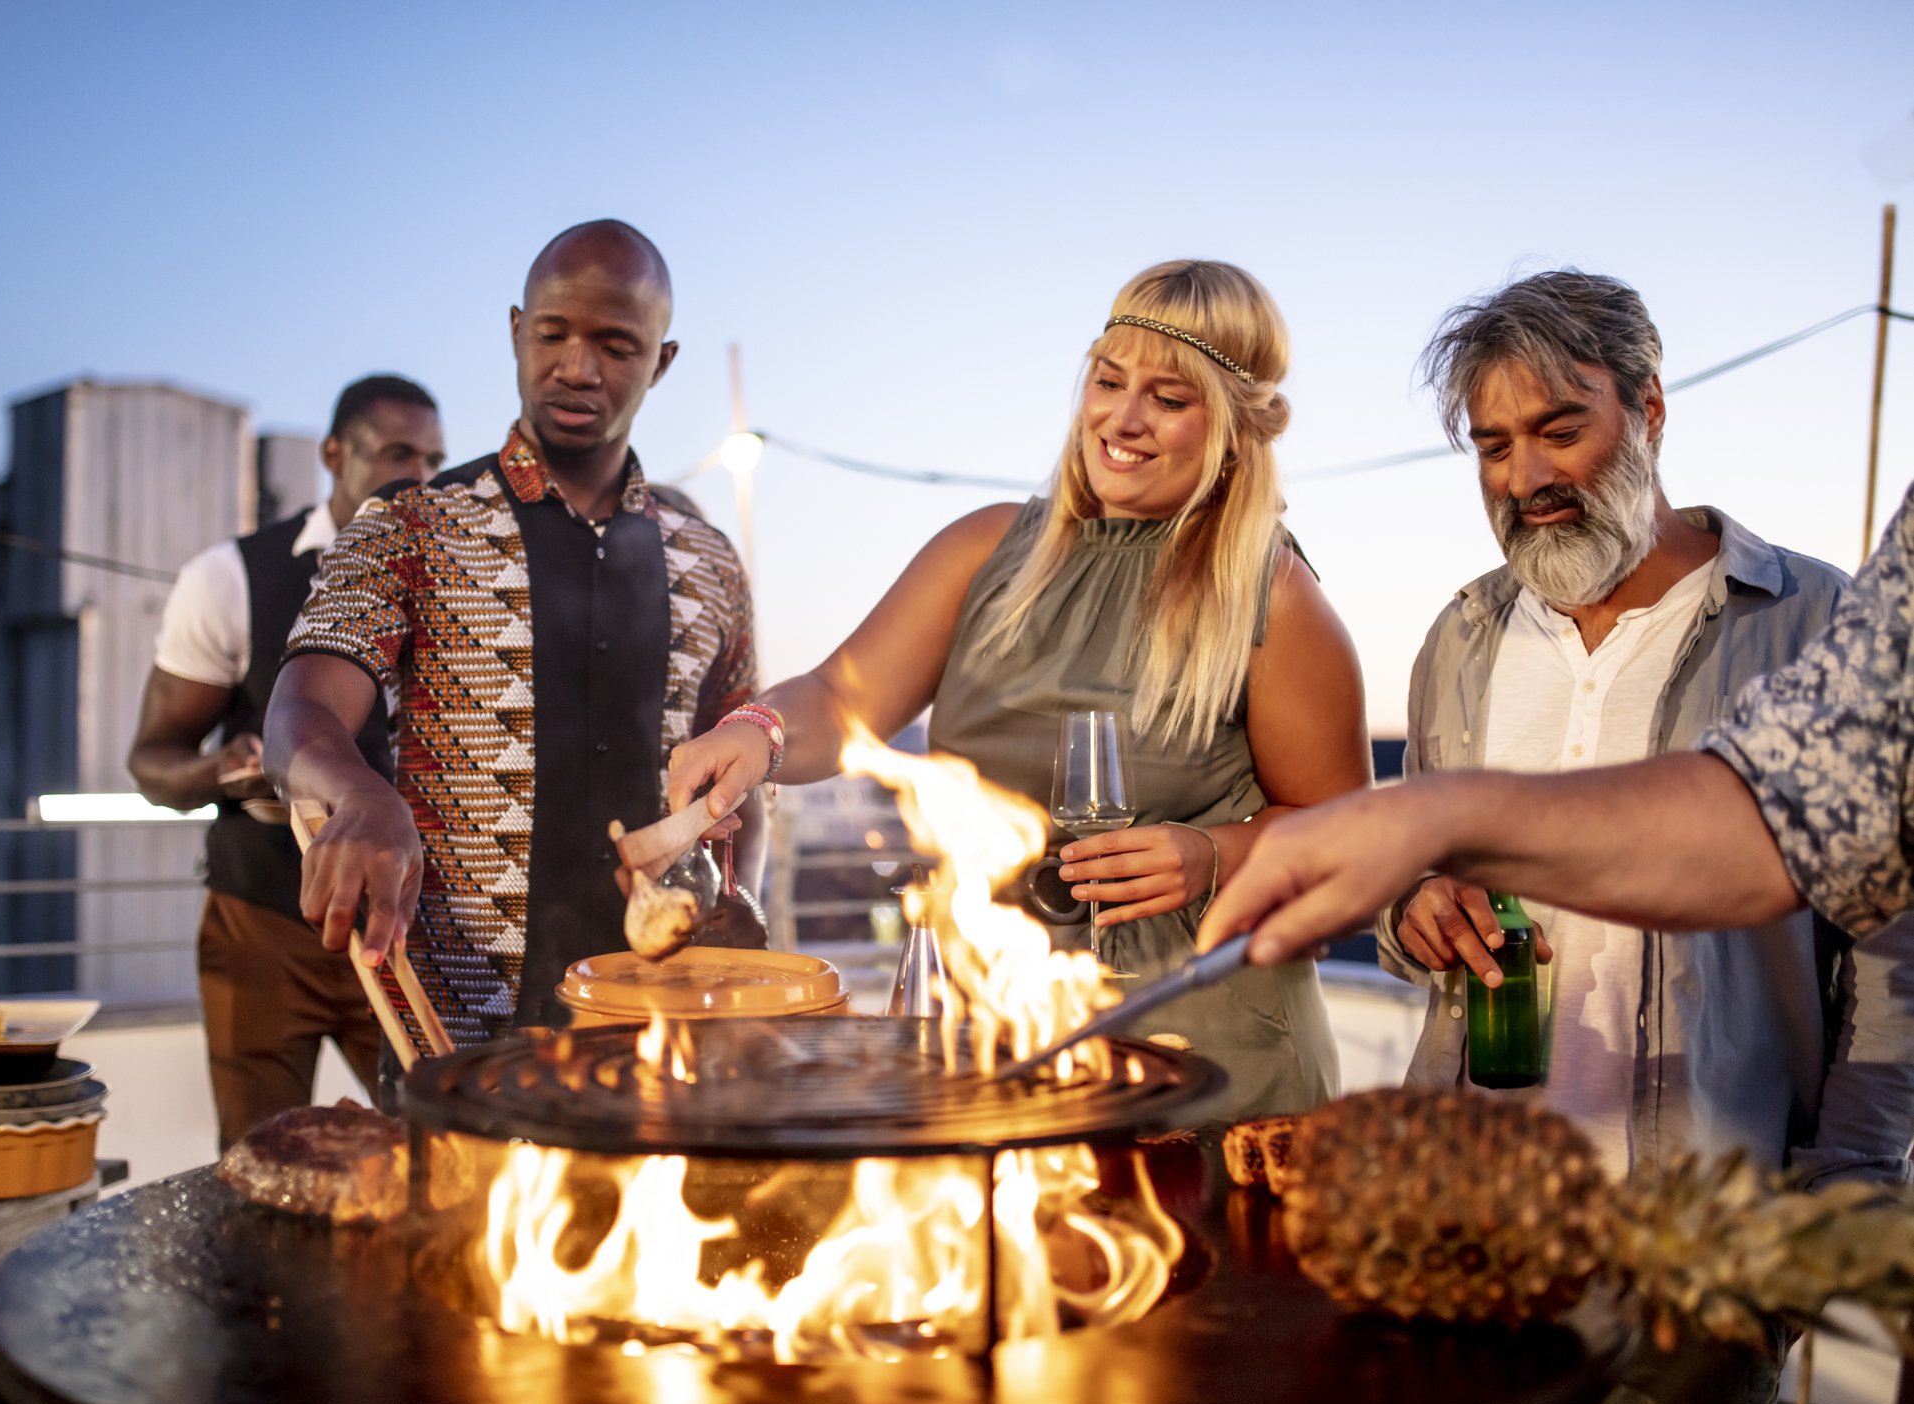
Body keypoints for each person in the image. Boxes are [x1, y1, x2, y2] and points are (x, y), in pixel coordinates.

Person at [668, 259, 1370, 1119]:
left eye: (1169, 399)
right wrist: (758, 733)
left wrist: (1211, 855)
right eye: (1108, 382)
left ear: (1233, 426)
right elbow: (838, 699)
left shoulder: (1276, 597)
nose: (1123, 418)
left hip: (1197, 1043)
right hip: (986, 1024)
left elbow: (1346, 833)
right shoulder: (984, 548)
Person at [1372, 270, 1912, 1190]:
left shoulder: (1813, 616)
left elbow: (1889, 938)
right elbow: (1410, 886)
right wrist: (1408, 906)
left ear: (1649, 409)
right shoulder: (1458, 639)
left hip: (1713, 1224)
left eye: (1560, 431)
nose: (1525, 478)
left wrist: (1848, 1173)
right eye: (1492, 446)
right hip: (1475, 1208)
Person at [264, 220, 760, 1042]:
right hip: (459, 1039)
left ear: (661, 362)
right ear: (515, 332)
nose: (576, 367)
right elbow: (298, 713)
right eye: (553, 333)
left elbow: (744, 766)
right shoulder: (412, 523)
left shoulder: (706, 557)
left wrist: (740, 901)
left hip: (662, 1027)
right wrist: (358, 793)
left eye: (615, 344)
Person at [128, 374, 446, 1150]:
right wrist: (227, 767)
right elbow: (151, 763)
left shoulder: (458, 579)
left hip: (412, 927)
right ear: (333, 454)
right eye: (398, 453)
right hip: (264, 922)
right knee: (257, 1160)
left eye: (436, 459)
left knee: (442, 1154)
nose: (423, 478)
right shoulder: (229, 578)